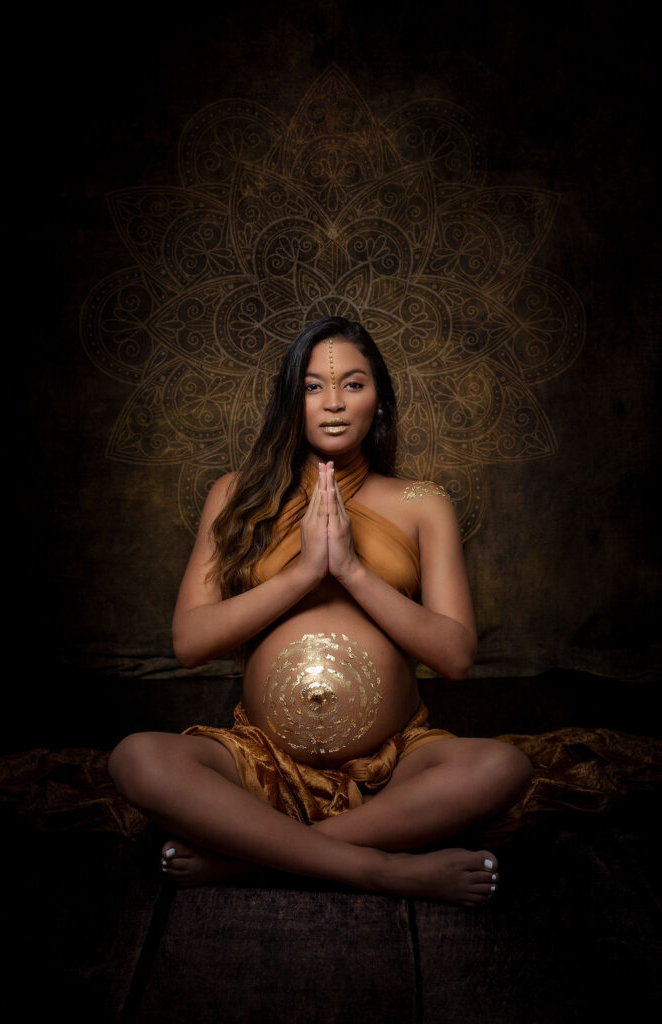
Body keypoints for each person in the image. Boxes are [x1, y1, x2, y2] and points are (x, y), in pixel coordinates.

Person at [108, 317, 533, 905]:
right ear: (291, 400)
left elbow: (456, 656)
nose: (333, 403)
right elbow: (190, 642)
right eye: (312, 387)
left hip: (392, 770)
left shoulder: (422, 503)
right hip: (258, 762)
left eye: (353, 384)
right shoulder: (235, 495)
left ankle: (244, 859)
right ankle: (381, 870)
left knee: (503, 768)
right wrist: (306, 571)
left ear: (379, 400)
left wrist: (352, 571)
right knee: (137, 760)